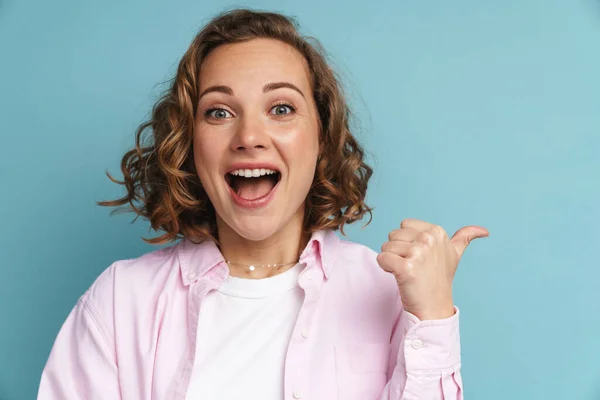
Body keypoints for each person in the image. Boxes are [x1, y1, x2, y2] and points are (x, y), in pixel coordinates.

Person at [38, 8, 488, 400]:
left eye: (281, 109)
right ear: (189, 143)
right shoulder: (119, 303)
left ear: (321, 136)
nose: (249, 137)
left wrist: (431, 317)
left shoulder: (385, 294)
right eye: (219, 112)